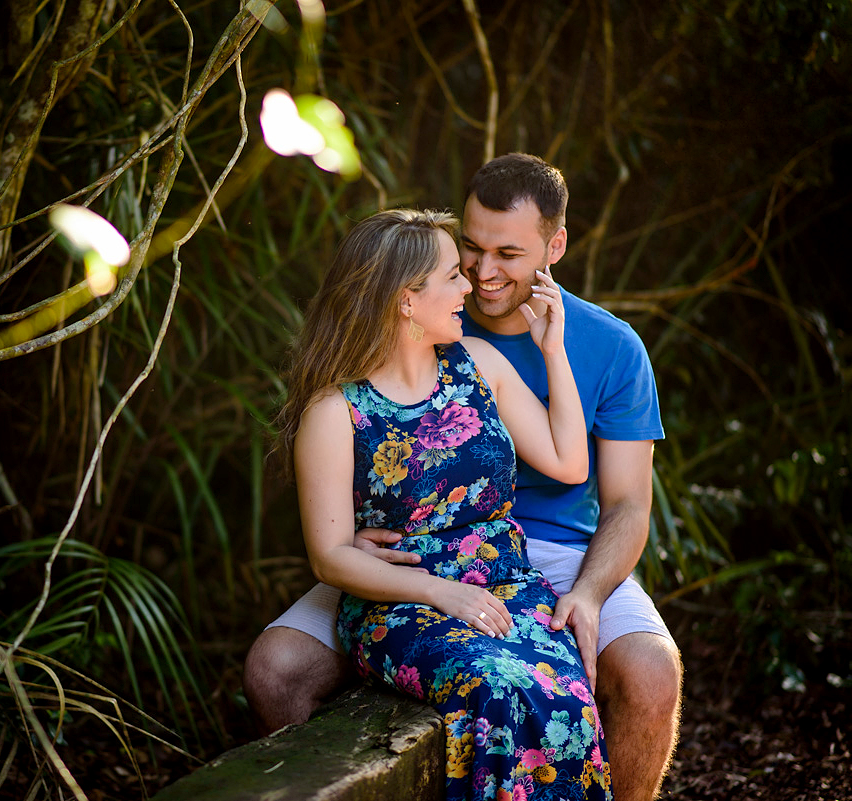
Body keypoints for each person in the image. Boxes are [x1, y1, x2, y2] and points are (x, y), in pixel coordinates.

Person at [245, 154, 682, 801]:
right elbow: (348, 489)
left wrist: (588, 593)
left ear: (554, 245)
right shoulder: (423, 336)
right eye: (469, 252)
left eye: (507, 253)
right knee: (274, 667)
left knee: (648, 672)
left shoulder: (606, 346)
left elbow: (624, 503)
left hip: (550, 554)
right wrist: (377, 527)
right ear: (409, 294)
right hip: (406, 554)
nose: (479, 275)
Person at [280, 205, 609, 800]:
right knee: (496, 684)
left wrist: (552, 349)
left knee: (565, 689)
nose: (470, 286)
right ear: (407, 300)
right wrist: (442, 592)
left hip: (508, 584)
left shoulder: (479, 365)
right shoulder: (335, 412)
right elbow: (329, 558)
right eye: (454, 274)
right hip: (401, 603)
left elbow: (570, 461)